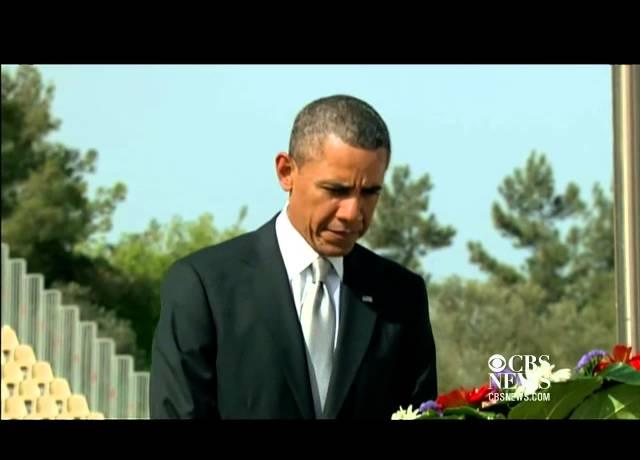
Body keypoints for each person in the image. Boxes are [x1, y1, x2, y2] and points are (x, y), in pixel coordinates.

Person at [149, 94, 437, 419]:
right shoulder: (204, 287)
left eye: (370, 192)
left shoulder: (401, 297)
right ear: (286, 172)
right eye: (336, 190)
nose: (353, 213)